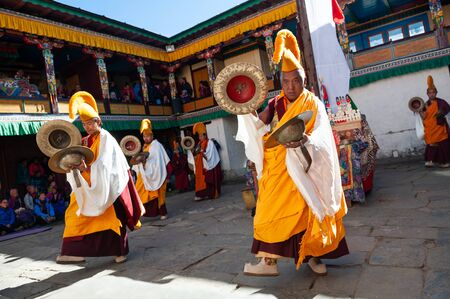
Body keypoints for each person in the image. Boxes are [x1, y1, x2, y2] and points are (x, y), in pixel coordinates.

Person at [236, 29, 348, 276]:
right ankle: (268, 263)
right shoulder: (275, 103)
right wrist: (245, 108)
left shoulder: (312, 103)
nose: (290, 86)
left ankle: (314, 257)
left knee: (310, 209)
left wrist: (308, 141)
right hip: (278, 169)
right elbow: (259, 125)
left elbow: (322, 134)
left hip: (306, 166)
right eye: (285, 81)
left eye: (295, 80)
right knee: (269, 211)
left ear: (303, 80)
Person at [56, 91, 143, 264]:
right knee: (74, 214)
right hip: (88, 186)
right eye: (84, 123)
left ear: (98, 121)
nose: (87, 127)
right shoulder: (86, 141)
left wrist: (86, 167)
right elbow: (78, 158)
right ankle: (72, 252)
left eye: (90, 122)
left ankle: (120, 251)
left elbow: (105, 164)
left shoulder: (106, 138)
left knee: (112, 218)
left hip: (108, 186)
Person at [133, 119, 171, 220]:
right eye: (144, 136)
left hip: (158, 174)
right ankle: (140, 212)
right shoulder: (145, 147)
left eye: (148, 136)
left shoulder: (156, 145)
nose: (146, 138)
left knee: (160, 195)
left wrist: (168, 175)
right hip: (145, 175)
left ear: (152, 136)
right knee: (139, 190)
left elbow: (160, 161)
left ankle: (163, 213)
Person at [420, 75, 450, 168]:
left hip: (440, 127)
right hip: (430, 128)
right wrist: (419, 110)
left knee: (443, 145)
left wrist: (441, 112)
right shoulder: (425, 104)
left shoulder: (441, 102)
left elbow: (447, 109)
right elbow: (424, 117)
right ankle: (431, 160)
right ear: (427, 94)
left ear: (436, 93)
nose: (432, 94)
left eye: (433, 92)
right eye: (430, 93)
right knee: (432, 144)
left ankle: (445, 162)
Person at [191, 122, 222, 201]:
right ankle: (207, 194)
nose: (200, 137)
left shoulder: (210, 142)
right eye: (199, 136)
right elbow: (196, 152)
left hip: (211, 164)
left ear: (205, 135)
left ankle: (215, 193)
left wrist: (202, 153)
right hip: (202, 165)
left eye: (201, 135)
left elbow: (209, 154)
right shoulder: (199, 143)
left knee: (211, 179)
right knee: (206, 180)